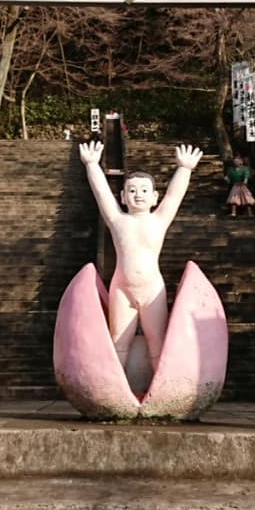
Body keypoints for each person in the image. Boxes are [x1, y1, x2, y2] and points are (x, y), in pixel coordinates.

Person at [79, 140, 203, 371]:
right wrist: (92, 165)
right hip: (122, 289)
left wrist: (184, 169)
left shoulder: (158, 220)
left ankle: (160, 390)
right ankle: (115, 391)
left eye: (144, 191)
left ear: (155, 197)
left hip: (152, 289)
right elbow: (102, 194)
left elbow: (174, 197)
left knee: (157, 340)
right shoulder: (118, 221)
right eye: (132, 191)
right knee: (118, 341)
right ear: (123, 197)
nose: (138, 195)